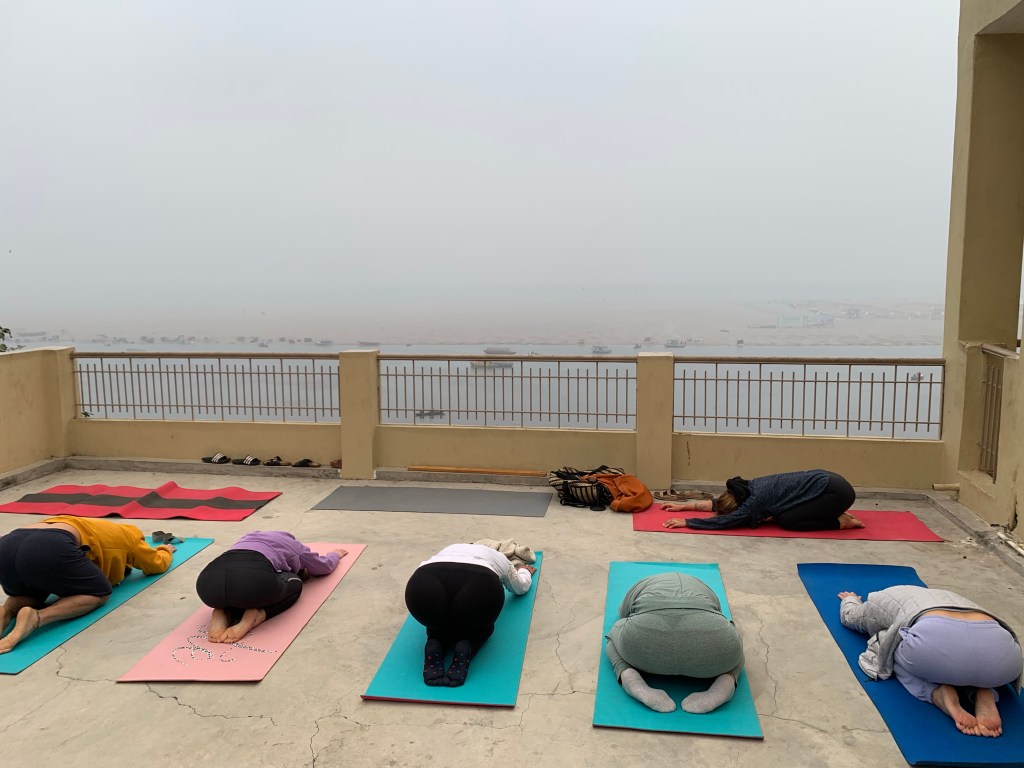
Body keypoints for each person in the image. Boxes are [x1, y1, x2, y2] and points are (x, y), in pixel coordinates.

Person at [838, 585, 1023, 737]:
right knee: (969, 657)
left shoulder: (882, 598)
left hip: (932, 649)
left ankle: (936, 693)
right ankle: (983, 690)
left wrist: (850, 600)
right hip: (1005, 658)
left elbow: (852, 618)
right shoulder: (952, 596)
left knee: (890, 643)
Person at [0, 516, 175, 653]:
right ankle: (37, 617)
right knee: (100, 592)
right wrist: (164, 550)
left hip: (8, 543)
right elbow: (155, 565)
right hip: (50, 544)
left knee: (35, 583)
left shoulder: (89, 525)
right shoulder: (130, 536)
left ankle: (6, 612)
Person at [605, 572, 744, 714]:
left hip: (644, 642)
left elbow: (623, 613)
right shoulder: (705, 587)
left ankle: (632, 680)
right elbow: (718, 613)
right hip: (711, 643)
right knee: (736, 648)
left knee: (612, 637)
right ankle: (726, 683)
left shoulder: (640, 585)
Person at [404, 542, 536, 687]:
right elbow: (520, 587)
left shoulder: (450, 547)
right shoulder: (499, 557)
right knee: (480, 627)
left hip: (423, 583)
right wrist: (524, 571)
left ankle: (436, 640)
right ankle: (469, 644)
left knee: (437, 622)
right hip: (478, 584)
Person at [196, 531, 347, 644]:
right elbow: (323, 567)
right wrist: (334, 555)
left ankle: (223, 610)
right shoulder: (293, 545)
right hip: (250, 583)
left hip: (207, 586)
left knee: (237, 586)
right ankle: (259, 614)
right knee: (295, 582)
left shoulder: (245, 540)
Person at [662, 468, 863, 531]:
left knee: (788, 520)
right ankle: (827, 511)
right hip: (829, 481)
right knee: (782, 512)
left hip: (836, 494)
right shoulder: (746, 488)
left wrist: (688, 522)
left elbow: (726, 520)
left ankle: (842, 521)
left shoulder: (754, 501)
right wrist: (684, 507)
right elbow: (720, 504)